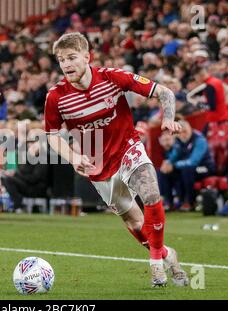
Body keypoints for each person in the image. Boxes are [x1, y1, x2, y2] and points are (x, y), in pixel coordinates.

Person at [44, 32, 188, 287]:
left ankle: (155, 263)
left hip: (128, 147)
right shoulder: (56, 97)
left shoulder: (112, 77)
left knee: (151, 194)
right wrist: (72, 156)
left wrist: (167, 118)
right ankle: (166, 253)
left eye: (71, 57)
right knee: (134, 220)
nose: (66, 64)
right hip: (98, 167)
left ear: (87, 57)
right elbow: (52, 135)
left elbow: (164, 93)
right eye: (61, 59)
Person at [159, 120, 215, 211]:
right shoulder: (178, 141)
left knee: (187, 170)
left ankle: (189, 202)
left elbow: (193, 161)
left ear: (190, 129)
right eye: (181, 133)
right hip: (188, 168)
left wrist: (174, 165)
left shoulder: (199, 140)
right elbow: (174, 156)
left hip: (205, 168)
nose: (183, 135)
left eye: (185, 131)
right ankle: (169, 202)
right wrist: (167, 164)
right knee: (164, 172)